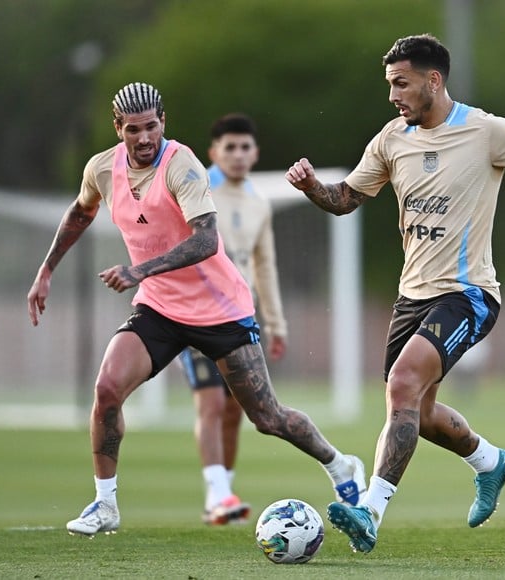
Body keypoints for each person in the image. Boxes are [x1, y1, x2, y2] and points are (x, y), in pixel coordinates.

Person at [285, 34, 505, 553]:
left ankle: (369, 511)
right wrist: (312, 187)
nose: (392, 96)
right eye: (389, 85)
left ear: (434, 80)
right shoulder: (391, 139)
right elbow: (345, 201)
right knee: (420, 414)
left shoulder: (486, 131)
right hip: (412, 298)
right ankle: (491, 462)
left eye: (400, 84)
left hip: (468, 293)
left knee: (402, 386)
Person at [26, 82, 366, 537]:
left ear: (163, 122)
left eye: (151, 126)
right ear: (118, 129)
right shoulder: (102, 169)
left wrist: (138, 270)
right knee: (107, 390)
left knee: (267, 418)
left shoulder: (181, 165)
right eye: (133, 130)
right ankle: (105, 504)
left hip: (221, 310)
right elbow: (80, 212)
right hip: (160, 309)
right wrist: (46, 269)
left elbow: (206, 240)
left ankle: (341, 464)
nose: (144, 138)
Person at [176, 113, 289, 525]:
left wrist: (276, 324)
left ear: (255, 152)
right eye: (230, 147)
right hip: (194, 314)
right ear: (214, 152)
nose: (238, 155)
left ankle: (224, 492)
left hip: (239, 319)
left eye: (245, 147)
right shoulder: (195, 190)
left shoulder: (259, 203)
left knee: (234, 409)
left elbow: (265, 266)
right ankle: (217, 495)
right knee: (208, 401)